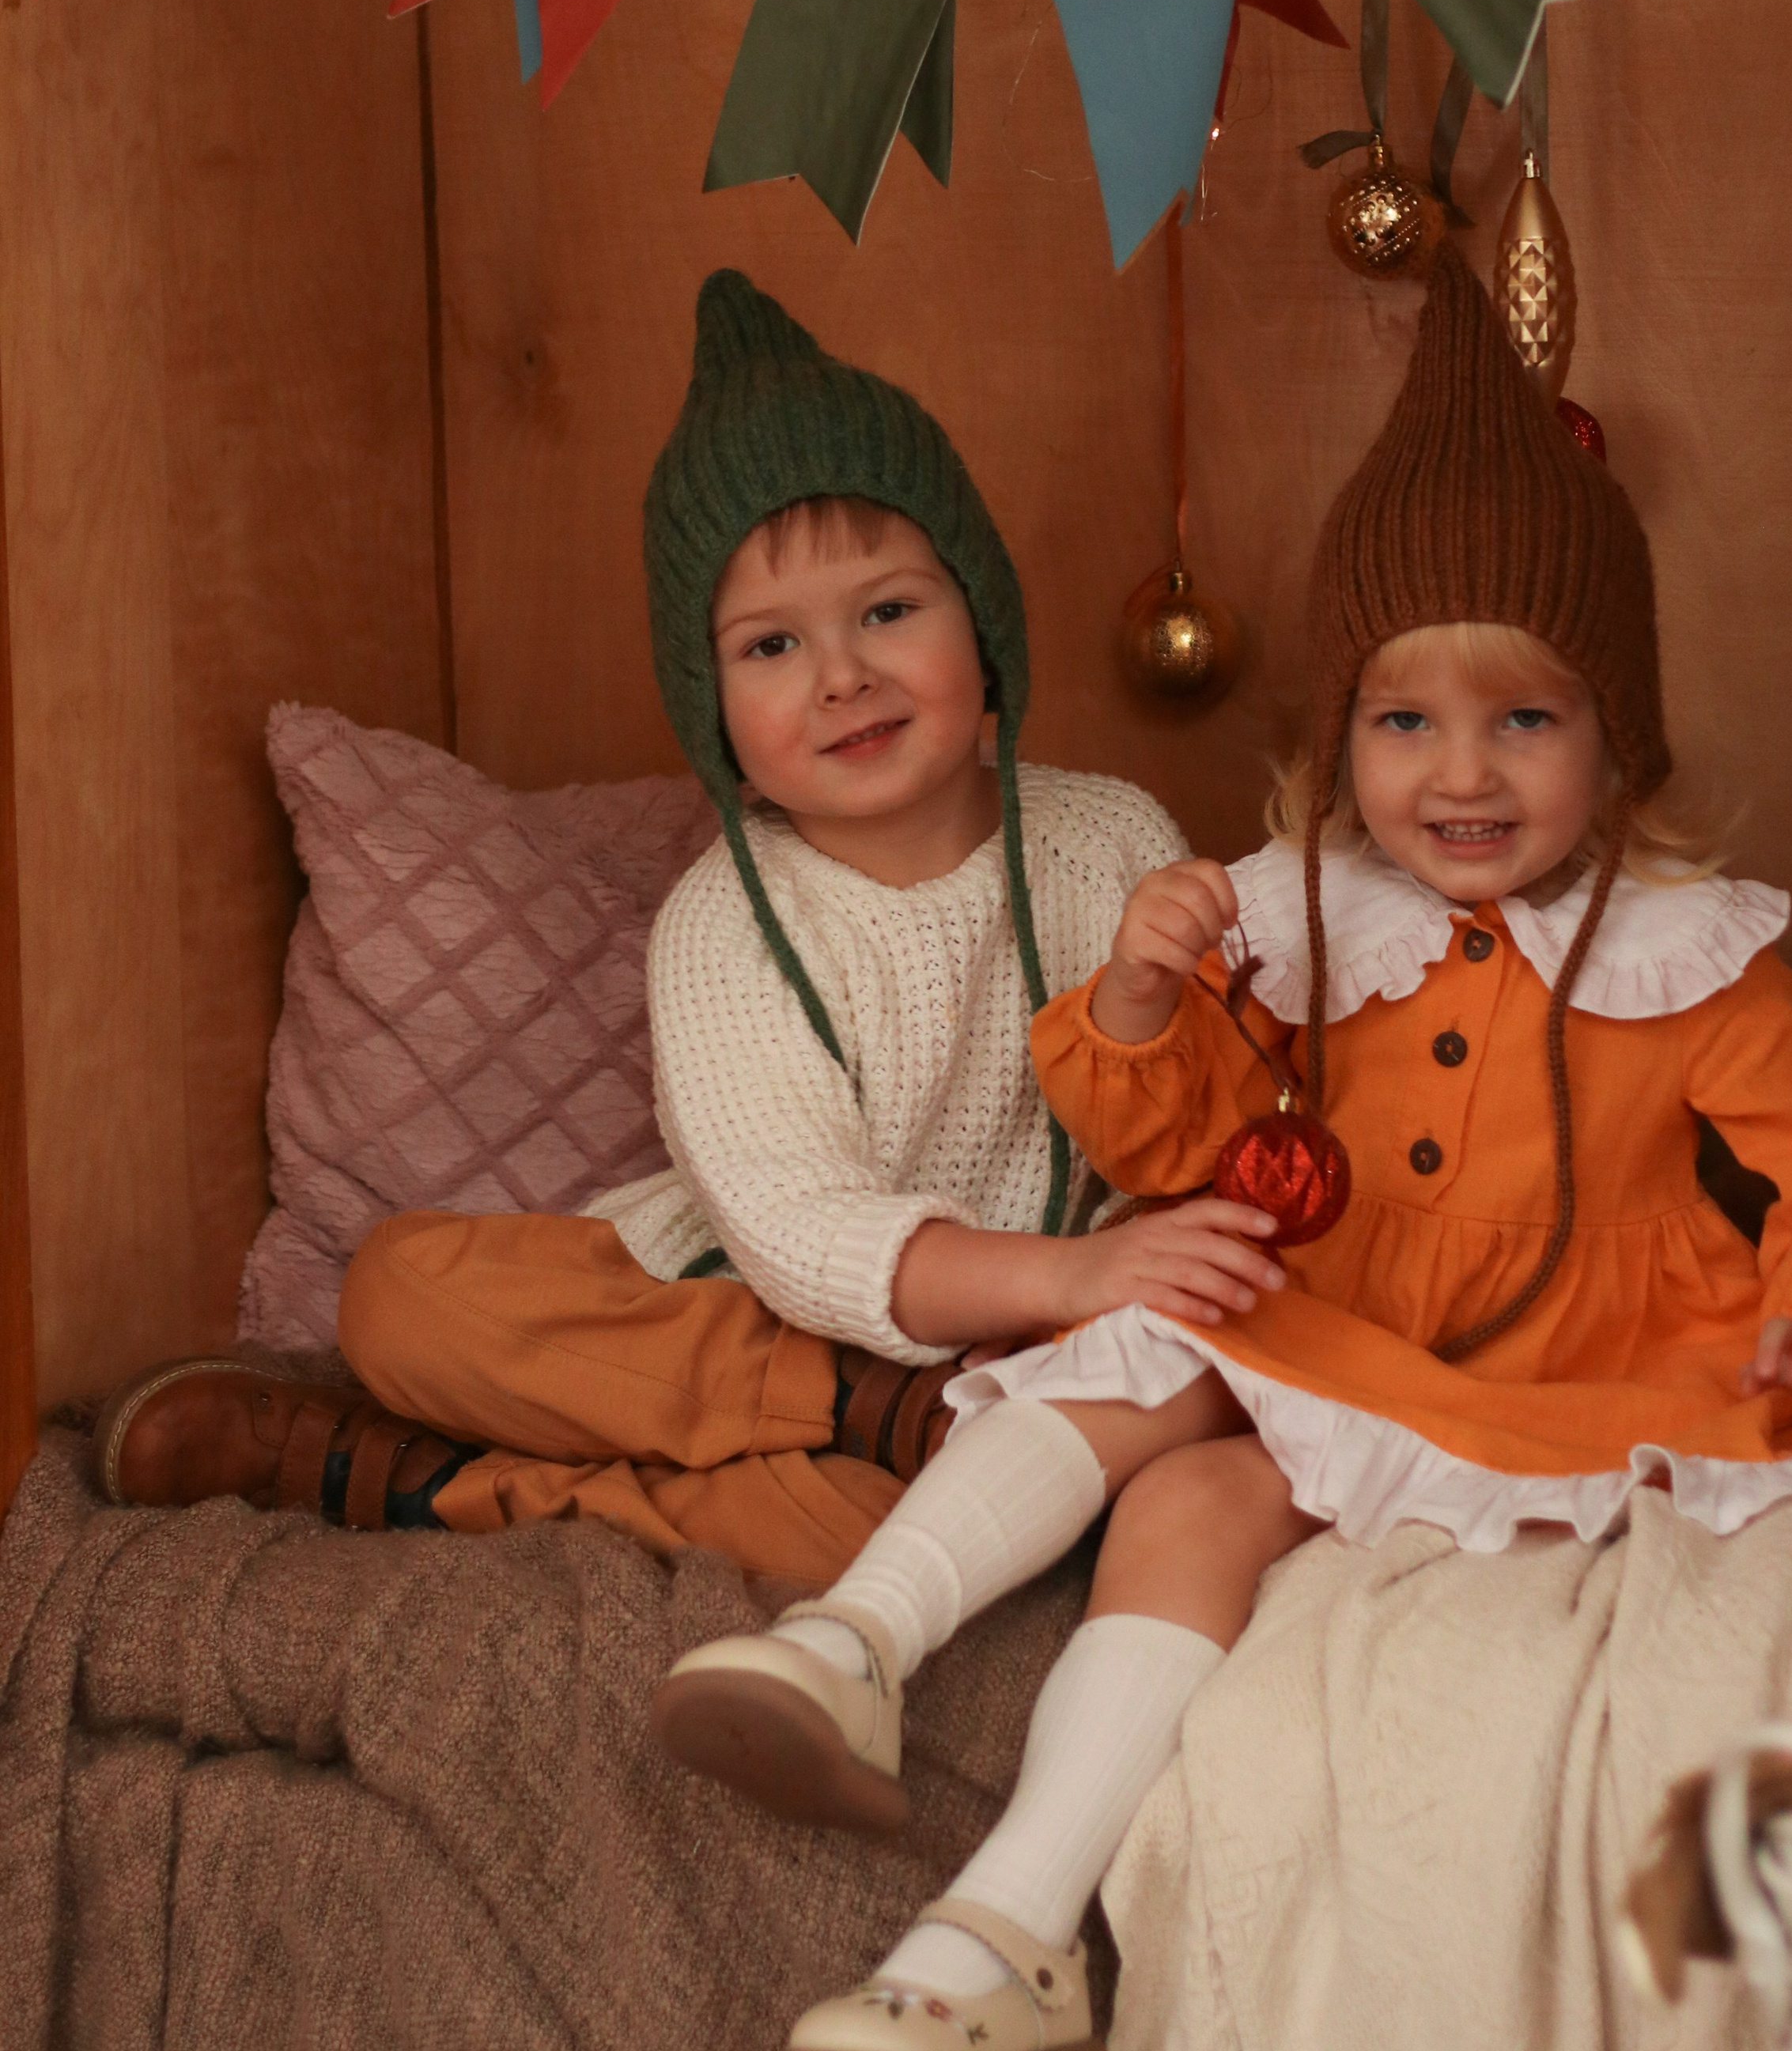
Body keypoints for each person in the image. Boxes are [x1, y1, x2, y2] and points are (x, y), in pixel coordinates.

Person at [656, 237, 1792, 2051]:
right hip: (1350, 1328)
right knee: (1178, 1454)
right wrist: (1144, 996)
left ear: (1614, 738)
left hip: (1568, 1363)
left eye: (1521, 720)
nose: (1457, 777)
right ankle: (977, 1879)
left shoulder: (1691, 954)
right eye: (1402, 722)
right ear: (1339, 740)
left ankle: (917, 1746)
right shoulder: (1307, 922)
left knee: (1168, 1336)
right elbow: (1184, 1141)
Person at [93, 274, 1263, 1585]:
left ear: (982, 627)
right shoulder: (726, 923)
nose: (842, 676)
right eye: (770, 647)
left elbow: (1196, 1130)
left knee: (891, 1543)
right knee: (400, 1289)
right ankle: (859, 1416)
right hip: (749, 1308)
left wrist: (1147, 1024)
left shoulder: (1110, 842)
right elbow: (792, 1223)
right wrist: (1037, 1291)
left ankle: (454, 1487)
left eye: (888, 611)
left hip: (1035, 1362)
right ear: (715, 715)